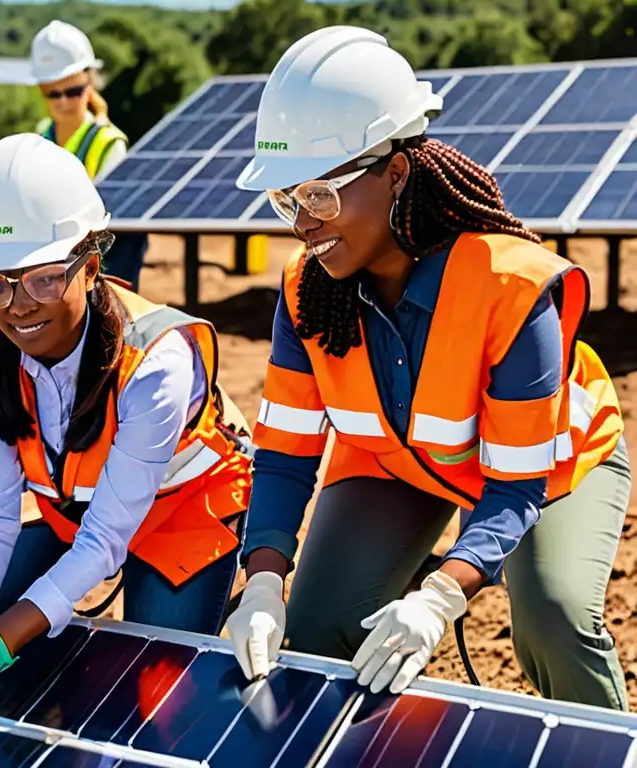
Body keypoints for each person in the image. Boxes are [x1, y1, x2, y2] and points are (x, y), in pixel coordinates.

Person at [225, 26, 631, 711]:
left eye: (320, 195)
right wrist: (264, 578)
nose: (303, 222)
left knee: (554, 620)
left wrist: (440, 595)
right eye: (286, 200)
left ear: (396, 171)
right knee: (318, 628)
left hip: (553, 467)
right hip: (399, 463)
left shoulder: (511, 287)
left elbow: (513, 486)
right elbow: (287, 456)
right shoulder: (305, 293)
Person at [0, 133, 252, 706]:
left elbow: (107, 539)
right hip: (74, 511)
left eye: (42, 278)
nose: (18, 305)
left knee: (158, 700)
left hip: (183, 512)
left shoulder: (154, 360)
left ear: (90, 266)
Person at [29, 20, 149, 292]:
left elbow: (117, 233)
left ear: (90, 84)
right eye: (53, 93)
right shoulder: (39, 138)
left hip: (95, 276)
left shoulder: (108, 143)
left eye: (73, 91)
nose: (63, 102)